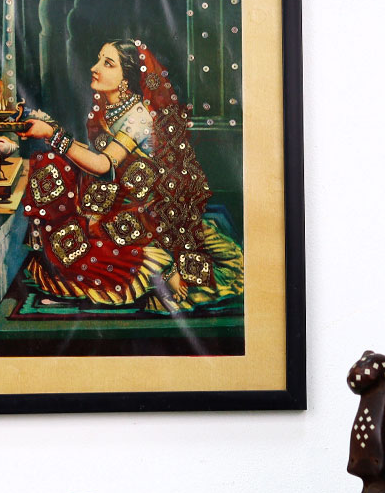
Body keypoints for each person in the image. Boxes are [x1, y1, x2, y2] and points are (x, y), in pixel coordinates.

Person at [18, 39, 243, 311]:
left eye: (107, 63)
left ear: (126, 79)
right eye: (99, 59)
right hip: (112, 196)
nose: (94, 68)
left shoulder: (138, 116)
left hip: (141, 209)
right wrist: (52, 132)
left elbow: (103, 164)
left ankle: (159, 266)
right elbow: (96, 159)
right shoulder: (108, 108)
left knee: (87, 248)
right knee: (52, 169)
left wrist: (54, 135)